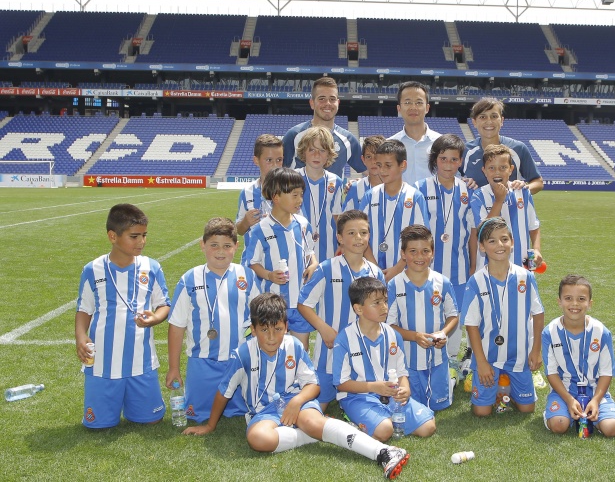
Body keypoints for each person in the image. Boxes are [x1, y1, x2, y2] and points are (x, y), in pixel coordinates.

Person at [183, 293, 410, 480]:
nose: (272, 337)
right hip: (265, 412)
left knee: (310, 419)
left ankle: (383, 452)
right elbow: (224, 392)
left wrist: (297, 401)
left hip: (299, 402)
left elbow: (313, 385)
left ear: (286, 327)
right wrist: (211, 425)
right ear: (253, 329)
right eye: (264, 330)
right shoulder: (243, 354)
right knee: (258, 440)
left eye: (278, 329)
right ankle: (329, 430)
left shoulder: (294, 346)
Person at [74, 203, 171, 428]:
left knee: (152, 420)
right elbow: (84, 308)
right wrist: (80, 335)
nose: (142, 242)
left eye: (144, 235)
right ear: (112, 236)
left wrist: (156, 318)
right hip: (102, 365)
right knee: (98, 425)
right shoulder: (93, 269)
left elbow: (164, 304)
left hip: (141, 362)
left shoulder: (152, 267)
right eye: (134, 236)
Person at [166, 217, 259, 423]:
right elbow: (177, 326)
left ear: (236, 246)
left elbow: (259, 317)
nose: (220, 251)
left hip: (239, 361)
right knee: (196, 414)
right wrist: (173, 368)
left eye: (227, 246)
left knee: (244, 411)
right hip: (203, 362)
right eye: (214, 245)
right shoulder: (189, 279)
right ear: (202, 245)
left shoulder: (247, 276)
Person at [297, 210, 385, 413]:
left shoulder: (375, 272)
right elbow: (303, 303)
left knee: (369, 408)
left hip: (363, 355)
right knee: (313, 411)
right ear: (339, 238)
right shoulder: (326, 269)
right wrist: (323, 328)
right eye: (351, 233)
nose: (358, 238)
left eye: (363, 233)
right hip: (328, 354)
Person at [333, 277, 437, 441]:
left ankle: (380, 418)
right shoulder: (344, 339)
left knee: (428, 427)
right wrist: (374, 387)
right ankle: (354, 420)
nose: (384, 307)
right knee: (384, 431)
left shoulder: (393, 335)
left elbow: (402, 372)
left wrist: (405, 390)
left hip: (390, 393)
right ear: (358, 309)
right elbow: (341, 383)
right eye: (376, 303)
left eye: (385, 301)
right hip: (358, 396)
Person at [462, 217, 544, 417]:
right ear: (482, 247)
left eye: (504, 239)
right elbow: (471, 324)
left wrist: (536, 350)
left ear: (512, 242)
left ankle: (505, 383)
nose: (500, 245)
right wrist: (480, 362)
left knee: (527, 409)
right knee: (482, 412)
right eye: (492, 241)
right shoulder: (476, 281)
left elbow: (538, 313)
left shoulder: (526, 277)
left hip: (518, 357)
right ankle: (496, 382)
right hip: (488, 358)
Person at [241, 167, 318, 349]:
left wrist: (314, 264)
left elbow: (310, 252)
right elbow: (252, 263)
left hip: (300, 302)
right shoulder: (261, 229)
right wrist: (269, 275)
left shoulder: (302, 224)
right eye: (294, 195)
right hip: (273, 303)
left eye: (301, 194)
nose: (300, 200)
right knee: (272, 349)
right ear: (276, 197)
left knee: (301, 349)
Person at [414, 133, 476, 359]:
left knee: (455, 314)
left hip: (459, 268)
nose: (448, 164)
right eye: (443, 158)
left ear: (460, 161)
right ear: (434, 160)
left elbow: (472, 232)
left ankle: (450, 361)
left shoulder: (468, 190)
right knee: (428, 312)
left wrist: (472, 265)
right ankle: (425, 356)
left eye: (454, 159)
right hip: (427, 267)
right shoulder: (420, 188)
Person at [387, 225, 458, 411]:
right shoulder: (394, 285)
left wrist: (443, 332)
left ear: (432, 253)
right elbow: (389, 326)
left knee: (439, 407)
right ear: (403, 254)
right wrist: (415, 336)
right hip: (407, 362)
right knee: (411, 406)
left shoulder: (442, 282)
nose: (419, 257)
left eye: (425, 251)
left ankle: (449, 379)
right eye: (413, 251)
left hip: (437, 359)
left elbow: (453, 315)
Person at [542, 274, 615, 437]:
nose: (574, 304)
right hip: (563, 392)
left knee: (612, 428)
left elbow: (606, 372)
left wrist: (595, 400)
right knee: (559, 425)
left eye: (581, 299)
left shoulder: (601, 332)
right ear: (559, 301)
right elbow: (551, 372)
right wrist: (570, 400)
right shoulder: (550, 332)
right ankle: (557, 412)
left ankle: (597, 413)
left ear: (589, 303)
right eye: (568, 298)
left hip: (595, 391)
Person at [359, 140, 429, 282]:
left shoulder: (415, 197)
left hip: (406, 272)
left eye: (388, 166)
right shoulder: (369, 196)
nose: (382, 170)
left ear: (402, 165)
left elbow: (421, 238)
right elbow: (360, 234)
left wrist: (397, 268)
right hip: (372, 271)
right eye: (379, 165)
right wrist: (375, 267)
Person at [469, 144, 542, 269]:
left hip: (522, 263)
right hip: (490, 267)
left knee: (525, 287)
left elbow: (533, 226)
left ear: (511, 169)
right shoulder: (478, 196)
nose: (497, 172)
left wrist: (536, 249)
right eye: (491, 168)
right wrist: (499, 200)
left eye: (503, 167)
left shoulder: (522, 191)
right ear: (484, 171)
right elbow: (484, 231)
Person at [282, 76, 366, 180]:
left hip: (333, 196)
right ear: (312, 103)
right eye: (322, 99)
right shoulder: (294, 135)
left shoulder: (348, 140)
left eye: (332, 99)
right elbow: (278, 170)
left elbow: (369, 172)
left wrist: (358, 185)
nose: (327, 104)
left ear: (338, 103)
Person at [461, 97, 543, 195]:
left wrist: (523, 188)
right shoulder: (464, 150)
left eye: (494, 116)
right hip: (475, 210)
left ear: (502, 120)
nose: (489, 121)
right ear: (474, 122)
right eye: (483, 117)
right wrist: (462, 182)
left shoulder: (518, 148)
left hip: (510, 209)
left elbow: (538, 182)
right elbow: (449, 179)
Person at [295, 126, 343, 263]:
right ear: (304, 152)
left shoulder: (336, 182)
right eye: (312, 150)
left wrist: (342, 244)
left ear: (329, 154)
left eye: (322, 150)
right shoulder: (293, 178)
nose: (317, 155)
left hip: (328, 247)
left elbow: (337, 217)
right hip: (298, 246)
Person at [388, 81, 440, 185]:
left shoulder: (441, 143)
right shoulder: (389, 145)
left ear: (427, 108)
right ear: (399, 108)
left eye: (419, 102)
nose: (413, 107)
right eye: (407, 102)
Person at [235, 133, 284, 244]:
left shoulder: (290, 190)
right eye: (269, 160)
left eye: (279, 160)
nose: (275, 165)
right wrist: (246, 222)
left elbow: (300, 226)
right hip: (252, 259)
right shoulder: (247, 192)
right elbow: (239, 230)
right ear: (256, 160)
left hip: (281, 258)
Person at [343, 135, 385, 212]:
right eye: (369, 157)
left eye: (377, 156)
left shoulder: (394, 187)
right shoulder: (355, 188)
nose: (373, 161)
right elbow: (346, 219)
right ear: (363, 159)